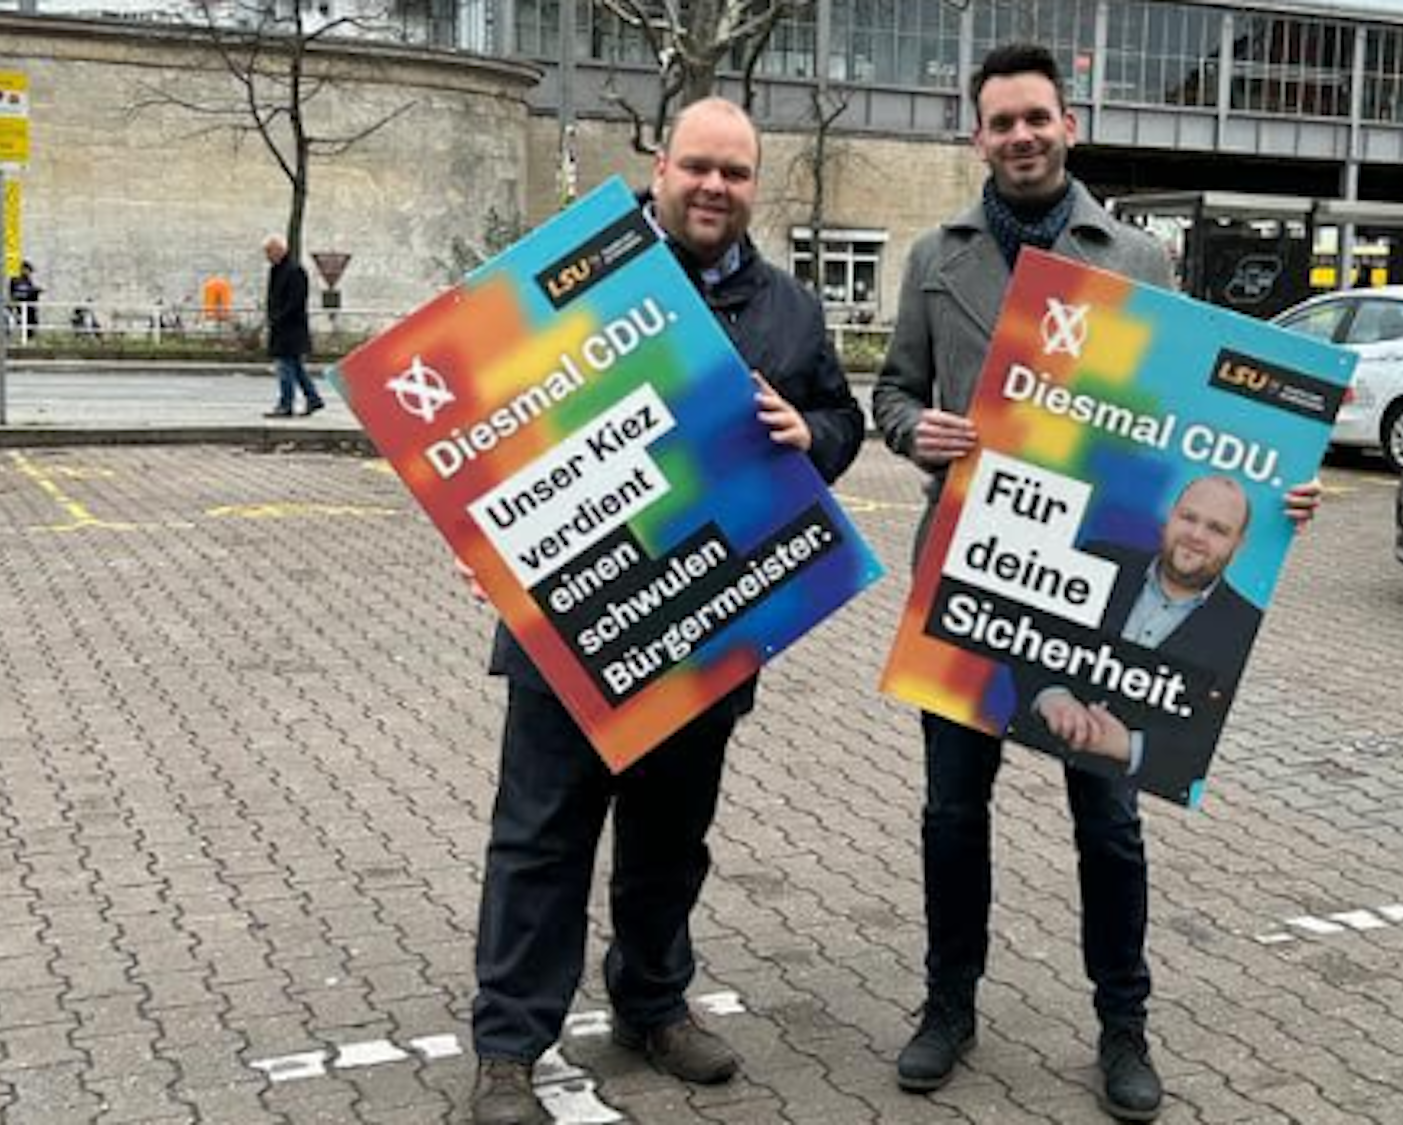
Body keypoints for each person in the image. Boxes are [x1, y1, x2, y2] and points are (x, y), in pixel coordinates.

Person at [870, 43, 1321, 1123]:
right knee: (949, 813)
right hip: (977, 573)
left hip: (1106, 583)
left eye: (1035, 118)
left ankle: (1122, 1024)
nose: (1018, 136)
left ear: (1068, 123)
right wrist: (911, 431)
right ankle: (947, 1006)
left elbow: (1205, 421)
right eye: (999, 122)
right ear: (975, 136)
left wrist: (1276, 491)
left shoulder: (1138, 258)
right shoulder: (937, 256)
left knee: (1108, 818)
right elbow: (891, 391)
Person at [467, 96, 864, 1125]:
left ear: (752, 186)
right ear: (658, 167)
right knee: (540, 837)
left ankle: (651, 1001)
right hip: (574, 618)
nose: (713, 188)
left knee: (668, 836)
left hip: (704, 621)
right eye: (698, 167)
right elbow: (484, 422)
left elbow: (839, 418)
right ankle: (510, 1047)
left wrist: (808, 435)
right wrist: (488, 539)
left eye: (734, 173)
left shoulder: (789, 310)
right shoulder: (568, 284)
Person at [1009, 475, 1264, 805]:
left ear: (1238, 544)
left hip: (1130, 790)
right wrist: (1051, 695)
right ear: (1169, 517)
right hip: (1024, 758)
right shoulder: (1097, 560)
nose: (1196, 535)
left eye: (1217, 529)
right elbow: (1026, 633)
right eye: (1188, 518)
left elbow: (1211, 735)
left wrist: (1129, 746)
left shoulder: (1245, 627)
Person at [261, 234, 324, 417]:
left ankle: (285, 404)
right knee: (295, 367)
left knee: (285, 367)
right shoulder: (277, 270)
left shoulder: (295, 271)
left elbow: (296, 301)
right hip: (282, 327)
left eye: (269, 251)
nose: (267, 256)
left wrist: (277, 318)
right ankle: (313, 399)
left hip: (290, 328)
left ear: (279, 250)